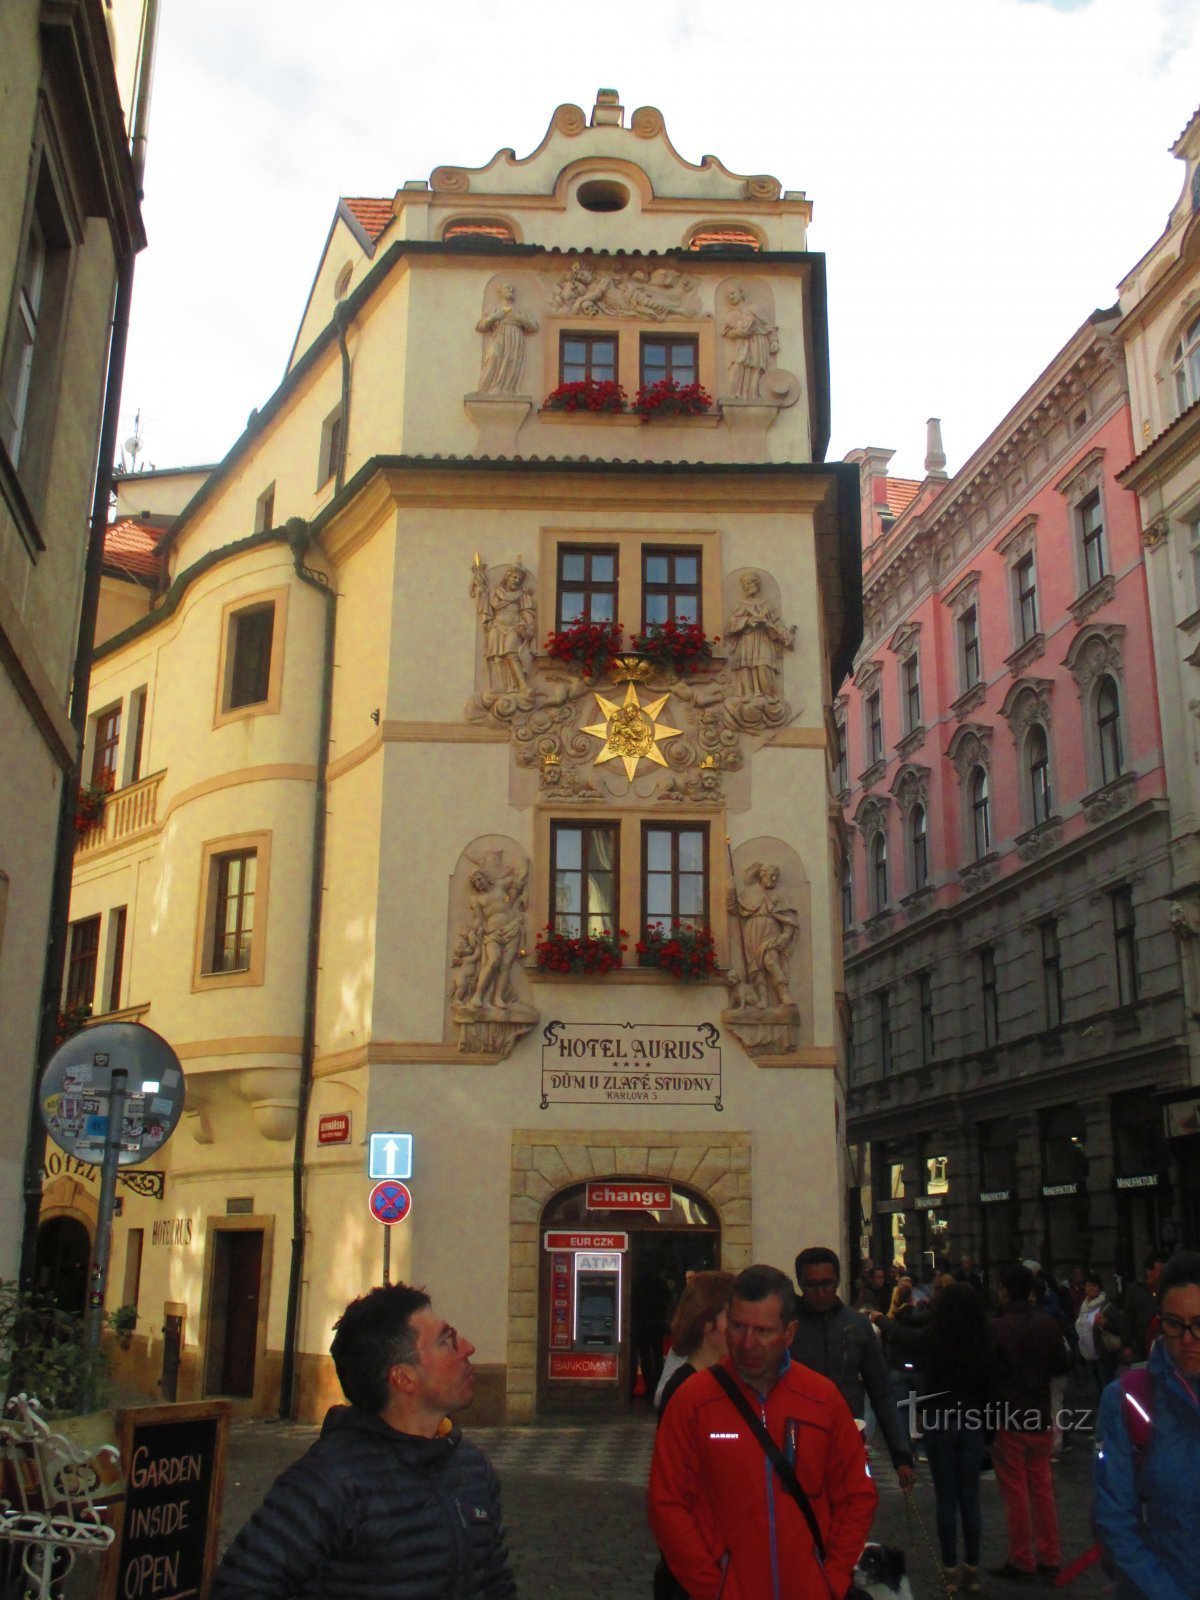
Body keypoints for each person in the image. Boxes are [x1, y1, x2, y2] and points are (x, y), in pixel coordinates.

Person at [212, 1283, 515, 1600]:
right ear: (403, 1378)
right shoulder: (329, 1483)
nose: (467, 1347)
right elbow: (239, 1587)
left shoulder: (471, 1468)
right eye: (446, 1341)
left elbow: (497, 1583)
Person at [648, 1263, 877, 1600]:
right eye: (738, 1327)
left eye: (763, 1331)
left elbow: (856, 1496)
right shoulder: (694, 1400)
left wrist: (831, 1577)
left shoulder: (822, 1400)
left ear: (790, 1333)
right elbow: (667, 1503)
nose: (747, 1342)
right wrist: (713, 1586)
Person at [1093, 1250, 1200, 1599]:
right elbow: (1114, 1521)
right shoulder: (1128, 1399)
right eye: (1174, 1323)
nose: (1187, 1339)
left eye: (1199, 1324)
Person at [886, 1282, 999, 1596]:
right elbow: (990, 1388)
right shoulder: (982, 1340)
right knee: (970, 1499)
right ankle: (972, 1570)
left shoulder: (935, 1337)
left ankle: (949, 1569)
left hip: (939, 1419)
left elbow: (907, 1339)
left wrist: (881, 1320)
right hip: (972, 1418)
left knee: (946, 1498)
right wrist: (990, 1430)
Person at [790, 1245, 917, 1490]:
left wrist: (901, 1456)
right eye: (811, 1286)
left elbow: (881, 1393)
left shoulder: (856, 1326)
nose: (820, 1293)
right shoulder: (788, 1326)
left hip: (847, 1439)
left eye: (827, 1284)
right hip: (797, 1441)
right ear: (800, 1284)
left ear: (837, 1281)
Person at [653, 1271, 736, 1600]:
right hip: (698, 1563)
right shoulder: (685, 1390)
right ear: (708, 1324)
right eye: (733, 1317)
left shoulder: (725, 1381)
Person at [988, 1263, 1071, 1583]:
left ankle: (1021, 1556)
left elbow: (990, 1372)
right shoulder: (1047, 1323)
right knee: (1042, 1488)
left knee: (1016, 1492)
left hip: (1009, 1416)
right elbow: (1061, 1364)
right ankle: (1050, 1555)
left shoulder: (997, 1327)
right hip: (1040, 1414)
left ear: (1005, 1292)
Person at [1120, 1250, 1166, 1365]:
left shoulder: (1166, 1290)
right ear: (1148, 1271)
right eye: (1160, 1271)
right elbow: (1127, 1320)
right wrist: (1127, 1345)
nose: (1163, 1274)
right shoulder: (1135, 1290)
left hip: (1163, 1344)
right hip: (1141, 1347)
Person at [1075, 1269, 1110, 1404]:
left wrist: (1104, 1323)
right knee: (1096, 1385)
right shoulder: (1084, 1306)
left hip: (1101, 1351)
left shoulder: (1105, 1305)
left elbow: (1116, 1326)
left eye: (1094, 1286)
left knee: (1105, 1383)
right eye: (1089, 1285)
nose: (1091, 1289)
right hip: (1088, 1352)